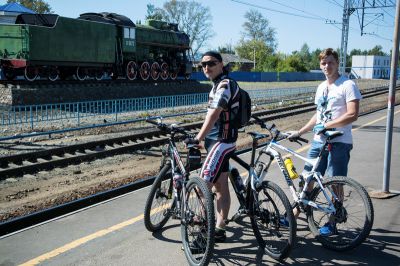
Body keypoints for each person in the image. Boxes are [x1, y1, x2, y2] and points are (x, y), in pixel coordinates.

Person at [287, 48, 362, 236]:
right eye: (323, 63)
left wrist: (327, 125)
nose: (327, 66)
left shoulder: (347, 84)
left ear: (337, 63)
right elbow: (318, 115)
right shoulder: (321, 87)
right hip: (318, 142)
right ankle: (293, 215)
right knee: (307, 179)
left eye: (330, 62)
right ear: (320, 65)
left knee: (335, 183)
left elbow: (353, 114)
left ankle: (333, 222)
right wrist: (301, 131)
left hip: (340, 142)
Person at [185, 51, 241, 242]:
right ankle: (219, 228)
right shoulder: (217, 85)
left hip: (222, 143)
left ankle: (203, 233)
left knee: (202, 187)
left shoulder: (225, 85)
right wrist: (204, 138)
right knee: (221, 186)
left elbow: (214, 114)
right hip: (217, 142)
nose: (206, 68)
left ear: (221, 64)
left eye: (211, 63)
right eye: (203, 65)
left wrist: (198, 138)